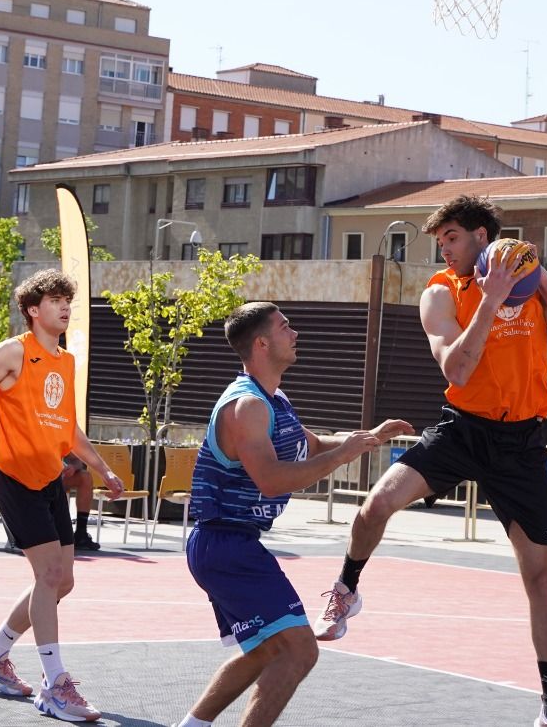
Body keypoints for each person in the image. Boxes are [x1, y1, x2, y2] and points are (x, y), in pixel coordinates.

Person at [316, 195, 547, 727]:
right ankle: (347, 590)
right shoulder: (441, 292)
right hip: (463, 429)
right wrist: (491, 299)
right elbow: (458, 370)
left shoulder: (530, 288)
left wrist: (539, 277)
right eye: (439, 241)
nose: (443, 249)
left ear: (482, 237)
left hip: (522, 442)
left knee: (541, 581)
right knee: (376, 505)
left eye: (451, 237)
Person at [174, 303, 411, 727]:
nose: (295, 333)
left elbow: (312, 446)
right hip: (225, 544)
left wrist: (368, 438)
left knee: (266, 650)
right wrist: (343, 455)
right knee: (300, 651)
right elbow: (271, 480)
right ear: (262, 344)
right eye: (285, 327)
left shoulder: (274, 401)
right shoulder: (247, 407)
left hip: (234, 544)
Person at [0, 268, 125, 722]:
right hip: (16, 479)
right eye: (55, 301)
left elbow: (67, 429)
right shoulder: (14, 351)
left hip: (50, 480)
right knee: (48, 576)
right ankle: (55, 685)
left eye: (68, 300)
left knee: (61, 581)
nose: (65, 307)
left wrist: (102, 467)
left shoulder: (65, 362)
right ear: (33, 310)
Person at [61, 454, 102, 552]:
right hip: (33, 476)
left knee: (85, 477)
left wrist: (73, 467)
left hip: (58, 477)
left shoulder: (64, 443)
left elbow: (77, 461)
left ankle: (81, 534)